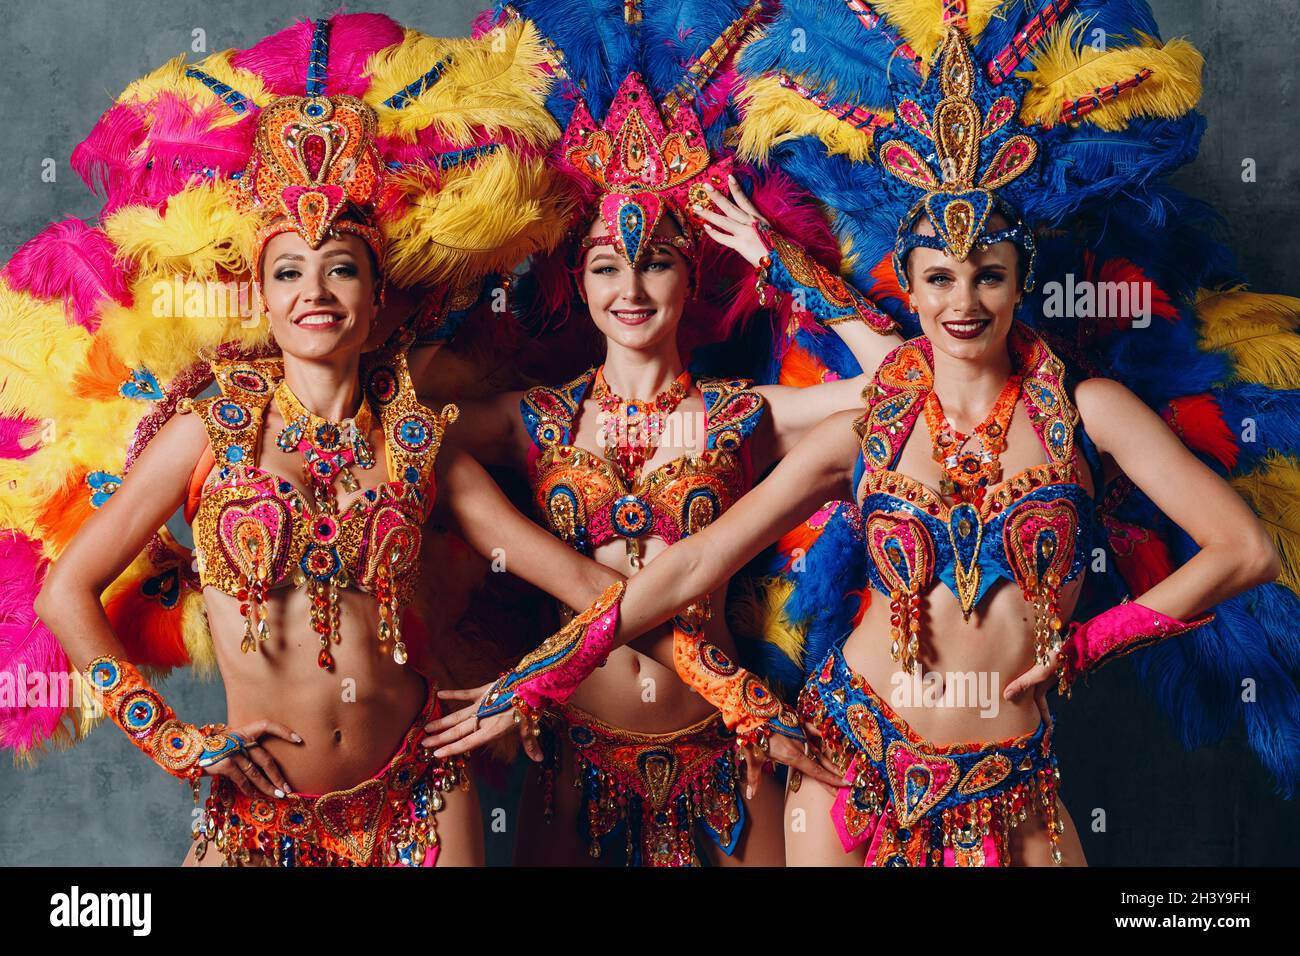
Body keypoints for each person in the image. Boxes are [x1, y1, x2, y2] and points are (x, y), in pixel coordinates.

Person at [433, 23, 1287, 867]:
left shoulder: (1085, 411)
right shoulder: (873, 426)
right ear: (910, 289)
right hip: (853, 766)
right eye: (940, 279)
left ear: (1021, 281)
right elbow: (693, 565)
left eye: (988, 275)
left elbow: (1244, 549)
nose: (965, 302)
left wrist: (1096, 641)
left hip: (1014, 781)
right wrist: (544, 671)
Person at [3, 13, 613, 867]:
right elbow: (66, 593)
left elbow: (595, 590)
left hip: (422, 802)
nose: (313, 290)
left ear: (372, 304)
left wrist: (525, 691)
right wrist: (171, 739)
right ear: (263, 297)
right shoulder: (205, 432)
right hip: (255, 811)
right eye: (289, 270)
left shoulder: (417, 445)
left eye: (341, 269)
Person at [421, 2, 902, 866]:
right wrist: (447, 269)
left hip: (730, 755)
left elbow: (902, 385)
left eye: (657, 261)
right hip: (571, 758)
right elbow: (407, 432)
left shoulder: (743, 416)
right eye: (608, 264)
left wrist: (773, 256)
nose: (630, 286)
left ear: (692, 275)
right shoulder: (532, 421)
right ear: (581, 278)